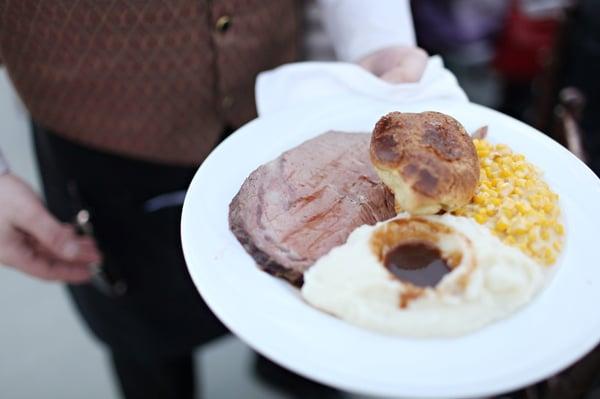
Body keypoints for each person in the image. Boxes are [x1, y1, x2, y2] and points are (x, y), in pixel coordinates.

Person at [0, 1, 427, 398]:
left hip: (280, 113)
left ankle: (292, 371)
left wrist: (374, 40)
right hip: (104, 145)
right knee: (147, 336)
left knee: (317, 293)